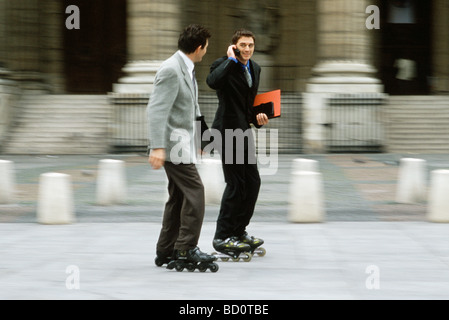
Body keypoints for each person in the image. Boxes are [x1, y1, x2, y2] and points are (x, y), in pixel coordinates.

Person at [147, 24, 215, 270]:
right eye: (206, 47)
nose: (206, 51)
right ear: (199, 47)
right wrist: (157, 147)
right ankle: (186, 248)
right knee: (195, 192)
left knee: (178, 196)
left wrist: (200, 140)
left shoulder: (186, 68)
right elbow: (156, 110)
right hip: (172, 146)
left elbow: (193, 109)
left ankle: (166, 250)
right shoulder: (171, 70)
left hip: (183, 145)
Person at [206, 29, 269, 256]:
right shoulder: (222, 64)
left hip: (244, 132)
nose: (247, 49)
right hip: (226, 131)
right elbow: (213, 82)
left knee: (252, 182)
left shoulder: (255, 68)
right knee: (235, 184)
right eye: (243, 45)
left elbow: (248, 106)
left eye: (250, 45)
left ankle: (239, 231)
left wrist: (259, 119)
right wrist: (231, 61)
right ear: (234, 46)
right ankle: (222, 236)